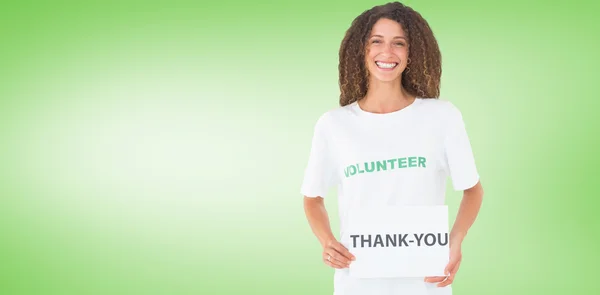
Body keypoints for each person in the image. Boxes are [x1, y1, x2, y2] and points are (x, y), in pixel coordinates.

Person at [300, 2, 484, 295]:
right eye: (377, 41)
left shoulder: (442, 116)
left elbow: (473, 189)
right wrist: (327, 242)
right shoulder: (334, 125)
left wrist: (455, 240)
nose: (387, 52)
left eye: (399, 43)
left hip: (426, 283)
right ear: (362, 50)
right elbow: (312, 198)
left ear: (412, 54)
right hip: (357, 282)